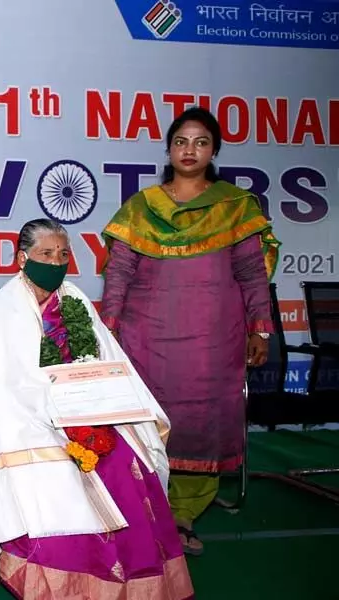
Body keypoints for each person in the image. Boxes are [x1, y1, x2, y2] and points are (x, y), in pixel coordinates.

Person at [0, 219, 194, 599]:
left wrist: (96, 402)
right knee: (54, 472)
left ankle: (133, 581)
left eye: (63, 254)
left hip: (86, 413)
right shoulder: (2, 310)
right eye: (46, 254)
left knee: (126, 456)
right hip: (28, 419)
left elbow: (106, 361)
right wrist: (57, 411)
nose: (56, 261)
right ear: (22, 258)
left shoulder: (75, 299)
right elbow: (3, 385)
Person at [101, 106, 278, 556]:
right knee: (146, 422)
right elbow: (119, 271)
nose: (189, 150)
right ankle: (144, 508)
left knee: (201, 424)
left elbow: (253, 274)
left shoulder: (235, 206)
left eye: (200, 142)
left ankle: (182, 515)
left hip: (212, 339)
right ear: (169, 148)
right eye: (181, 141)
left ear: (214, 150)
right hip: (146, 336)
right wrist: (110, 326)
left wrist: (260, 328)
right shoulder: (142, 207)